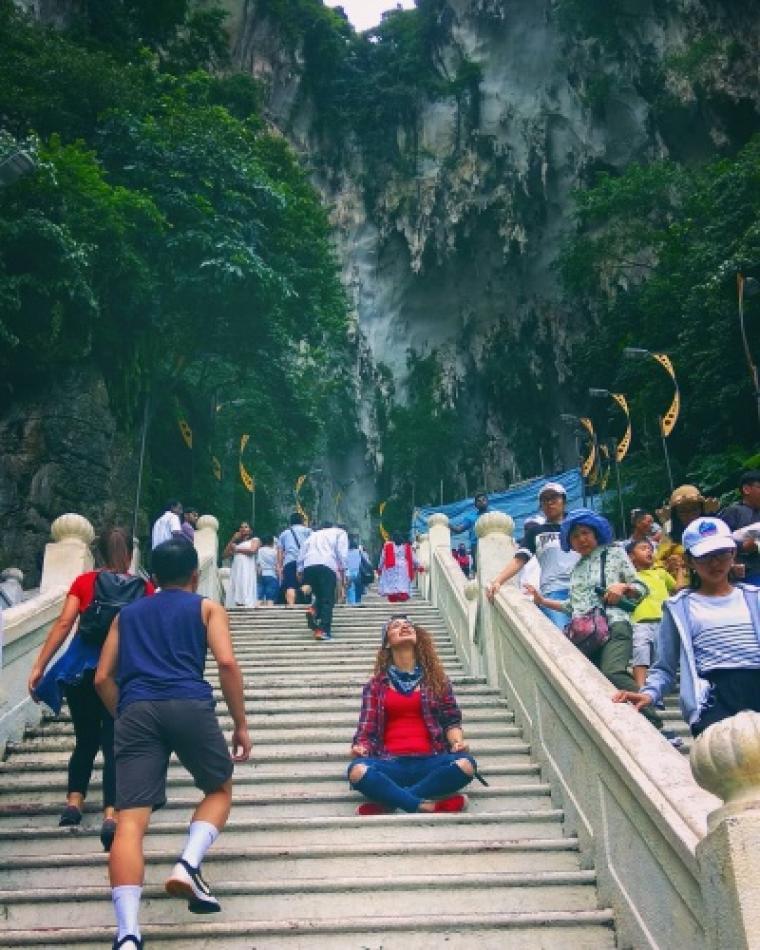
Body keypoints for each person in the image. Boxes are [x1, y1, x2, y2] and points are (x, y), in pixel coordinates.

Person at [94, 539, 251, 950]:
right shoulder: (206, 607)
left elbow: (101, 678)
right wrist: (240, 723)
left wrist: (124, 712)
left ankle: (128, 933)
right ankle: (187, 863)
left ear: (153, 577)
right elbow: (228, 662)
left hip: (136, 708)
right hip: (188, 702)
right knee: (218, 789)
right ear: (195, 576)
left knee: (130, 821)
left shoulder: (126, 616)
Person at [28, 527, 153, 851]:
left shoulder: (85, 583)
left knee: (85, 739)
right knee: (114, 743)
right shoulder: (144, 587)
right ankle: (111, 813)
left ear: (97, 553)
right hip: (120, 673)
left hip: (80, 671)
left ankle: (74, 803)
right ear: (130, 553)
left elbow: (64, 624)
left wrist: (40, 665)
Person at [613, 517, 760, 737]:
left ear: (733, 555)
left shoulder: (754, 598)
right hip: (713, 697)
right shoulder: (678, 607)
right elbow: (665, 666)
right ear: (689, 561)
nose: (715, 563)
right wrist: (650, 693)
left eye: (721, 554)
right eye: (705, 557)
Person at [526, 509, 661, 728]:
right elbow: (573, 606)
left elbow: (641, 587)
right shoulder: (576, 569)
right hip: (587, 636)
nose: (581, 539)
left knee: (612, 671)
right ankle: (630, 725)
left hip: (614, 624)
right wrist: (542, 601)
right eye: (575, 536)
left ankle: (653, 718)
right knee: (599, 683)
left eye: (585, 533)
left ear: (596, 533)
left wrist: (623, 586)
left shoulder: (614, 553)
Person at [348, 614, 476, 815]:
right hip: (390, 763)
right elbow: (366, 730)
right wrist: (361, 748)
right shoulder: (375, 686)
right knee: (357, 771)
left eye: (408, 625)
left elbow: (451, 721)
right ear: (387, 643)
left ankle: (391, 803)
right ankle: (428, 806)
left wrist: (457, 742)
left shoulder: (437, 681)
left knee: (467, 765)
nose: (404, 627)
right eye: (396, 626)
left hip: (431, 761)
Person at [486, 482, 578, 629]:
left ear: (564, 500)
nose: (549, 503)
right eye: (544, 500)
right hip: (553, 590)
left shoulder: (578, 526)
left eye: (554, 498)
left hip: (583, 588)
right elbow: (519, 560)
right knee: (564, 634)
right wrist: (498, 581)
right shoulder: (537, 532)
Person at [627, 539, 677, 688]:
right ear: (630, 556)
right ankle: (641, 687)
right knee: (640, 652)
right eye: (643, 548)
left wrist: (680, 569)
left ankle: (657, 690)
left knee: (660, 656)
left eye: (650, 549)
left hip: (664, 620)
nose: (649, 551)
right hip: (640, 620)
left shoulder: (661, 573)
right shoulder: (629, 576)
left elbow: (677, 589)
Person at [297, 522, 348, 641]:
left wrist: (300, 570)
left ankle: (314, 609)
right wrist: (344, 570)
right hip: (326, 565)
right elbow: (342, 553)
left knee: (319, 595)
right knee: (327, 599)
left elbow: (302, 552)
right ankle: (323, 630)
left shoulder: (313, 535)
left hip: (309, 565)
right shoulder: (340, 533)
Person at [720, 470, 760, 584]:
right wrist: (742, 546)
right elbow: (721, 539)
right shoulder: (733, 511)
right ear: (746, 489)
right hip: (747, 573)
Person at [277, 513, 312, 607]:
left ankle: (291, 606)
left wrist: (279, 566)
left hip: (290, 562)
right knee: (307, 584)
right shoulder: (309, 531)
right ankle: (304, 601)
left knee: (290, 585)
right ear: (302, 521)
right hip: (306, 562)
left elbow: (280, 551)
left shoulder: (284, 533)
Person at [449, 491, 490, 572]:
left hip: (490, 544)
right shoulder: (471, 518)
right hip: (476, 546)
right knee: (478, 569)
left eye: (484, 500)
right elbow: (458, 530)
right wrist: (447, 523)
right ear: (475, 505)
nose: (482, 502)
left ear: (487, 502)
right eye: (479, 501)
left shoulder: (493, 516)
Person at [223, 522, 260, 608]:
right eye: (241, 527)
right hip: (237, 568)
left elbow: (252, 550)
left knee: (245, 583)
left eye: (246, 527)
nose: (243, 529)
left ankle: (244, 603)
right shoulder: (236, 543)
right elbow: (224, 555)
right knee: (237, 584)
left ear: (250, 530)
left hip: (247, 568)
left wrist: (237, 549)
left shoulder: (255, 539)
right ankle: (236, 603)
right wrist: (233, 539)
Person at [378, 532, 417, 603]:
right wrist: (418, 565)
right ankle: (402, 594)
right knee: (402, 581)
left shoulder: (387, 546)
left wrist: (380, 567)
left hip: (391, 566)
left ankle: (393, 595)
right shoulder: (407, 547)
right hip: (403, 566)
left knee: (392, 581)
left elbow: (383, 558)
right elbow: (413, 557)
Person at [257, 534, 280, 606]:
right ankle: (270, 615)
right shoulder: (275, 551)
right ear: (272, 542)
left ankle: (256, 613)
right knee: (270, 599)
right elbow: (277, 564)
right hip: (272, 575)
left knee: (259, 598)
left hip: (261, 575)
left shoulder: (259, 551)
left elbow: (258, 564)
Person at [346, 536, 363, 605]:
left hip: (349, 572)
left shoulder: (345, 552)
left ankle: (352, 602)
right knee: (357, 587)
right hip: (357, 572)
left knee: (350, 587)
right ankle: (357, 601)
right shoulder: (358, 551)